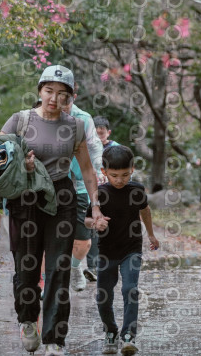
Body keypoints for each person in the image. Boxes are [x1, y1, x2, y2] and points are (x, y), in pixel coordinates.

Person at [0, 65, 104, 356]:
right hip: (25, 199)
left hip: (61, 198)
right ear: (39, 91)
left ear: (70, 97)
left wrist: (96, 206)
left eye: (62, 94)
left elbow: (87, 169)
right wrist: (21, 164)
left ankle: (55, 339)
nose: (54, 99)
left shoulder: (75, 126)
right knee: (27, 268)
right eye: (49, 91)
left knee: (59, 268)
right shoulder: (19, 121)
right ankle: (27, 320)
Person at [84, 144, 159, 355]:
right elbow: (86, 219)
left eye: (125, 175)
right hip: (106, 251)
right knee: (103, 296)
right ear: (104, 172)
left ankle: (128, 336)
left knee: (130, 289)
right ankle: (110, 331)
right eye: (114, 175)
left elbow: (145, 210)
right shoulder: (100, 193)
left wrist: (151, 234)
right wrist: (95, 223)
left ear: (132, 169)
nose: (119, 180)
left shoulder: (136, 190)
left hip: (131, 249)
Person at [61, 82, 103, 292]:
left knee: (83, 241)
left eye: (66, 97)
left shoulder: (83, 119)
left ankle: (75, 267)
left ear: (74, 97)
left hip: (78, 186)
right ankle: (46, 284)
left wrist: (99, 170)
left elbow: (95, 148)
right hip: (50, 187)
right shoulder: (41, 115)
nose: (61, 102)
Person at [85, 116, 118, 281]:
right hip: (92, 192)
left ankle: (109, 264)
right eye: (96, 133)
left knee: (110, 227)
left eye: (102, 133)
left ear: (108, 132)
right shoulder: (88, 147)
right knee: (94, 226)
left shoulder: (116, 149)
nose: (99, 137)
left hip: (111, 193)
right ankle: (92, 267)